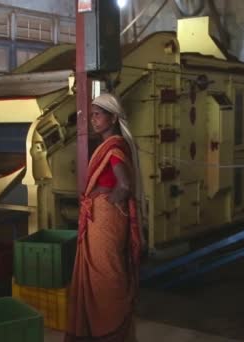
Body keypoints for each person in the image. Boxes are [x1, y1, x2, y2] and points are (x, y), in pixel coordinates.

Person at [65, 93, 146, 342]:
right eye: (92, 115)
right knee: (101, 274)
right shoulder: (111, 145)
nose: (93, 119)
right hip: (101, 220)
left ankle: (112, 327)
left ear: (112, 118)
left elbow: (124, 186)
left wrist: (104, 198)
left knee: (108, 274)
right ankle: (101, 328)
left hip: (107, 221)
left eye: (98, 115)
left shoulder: (114, 147)